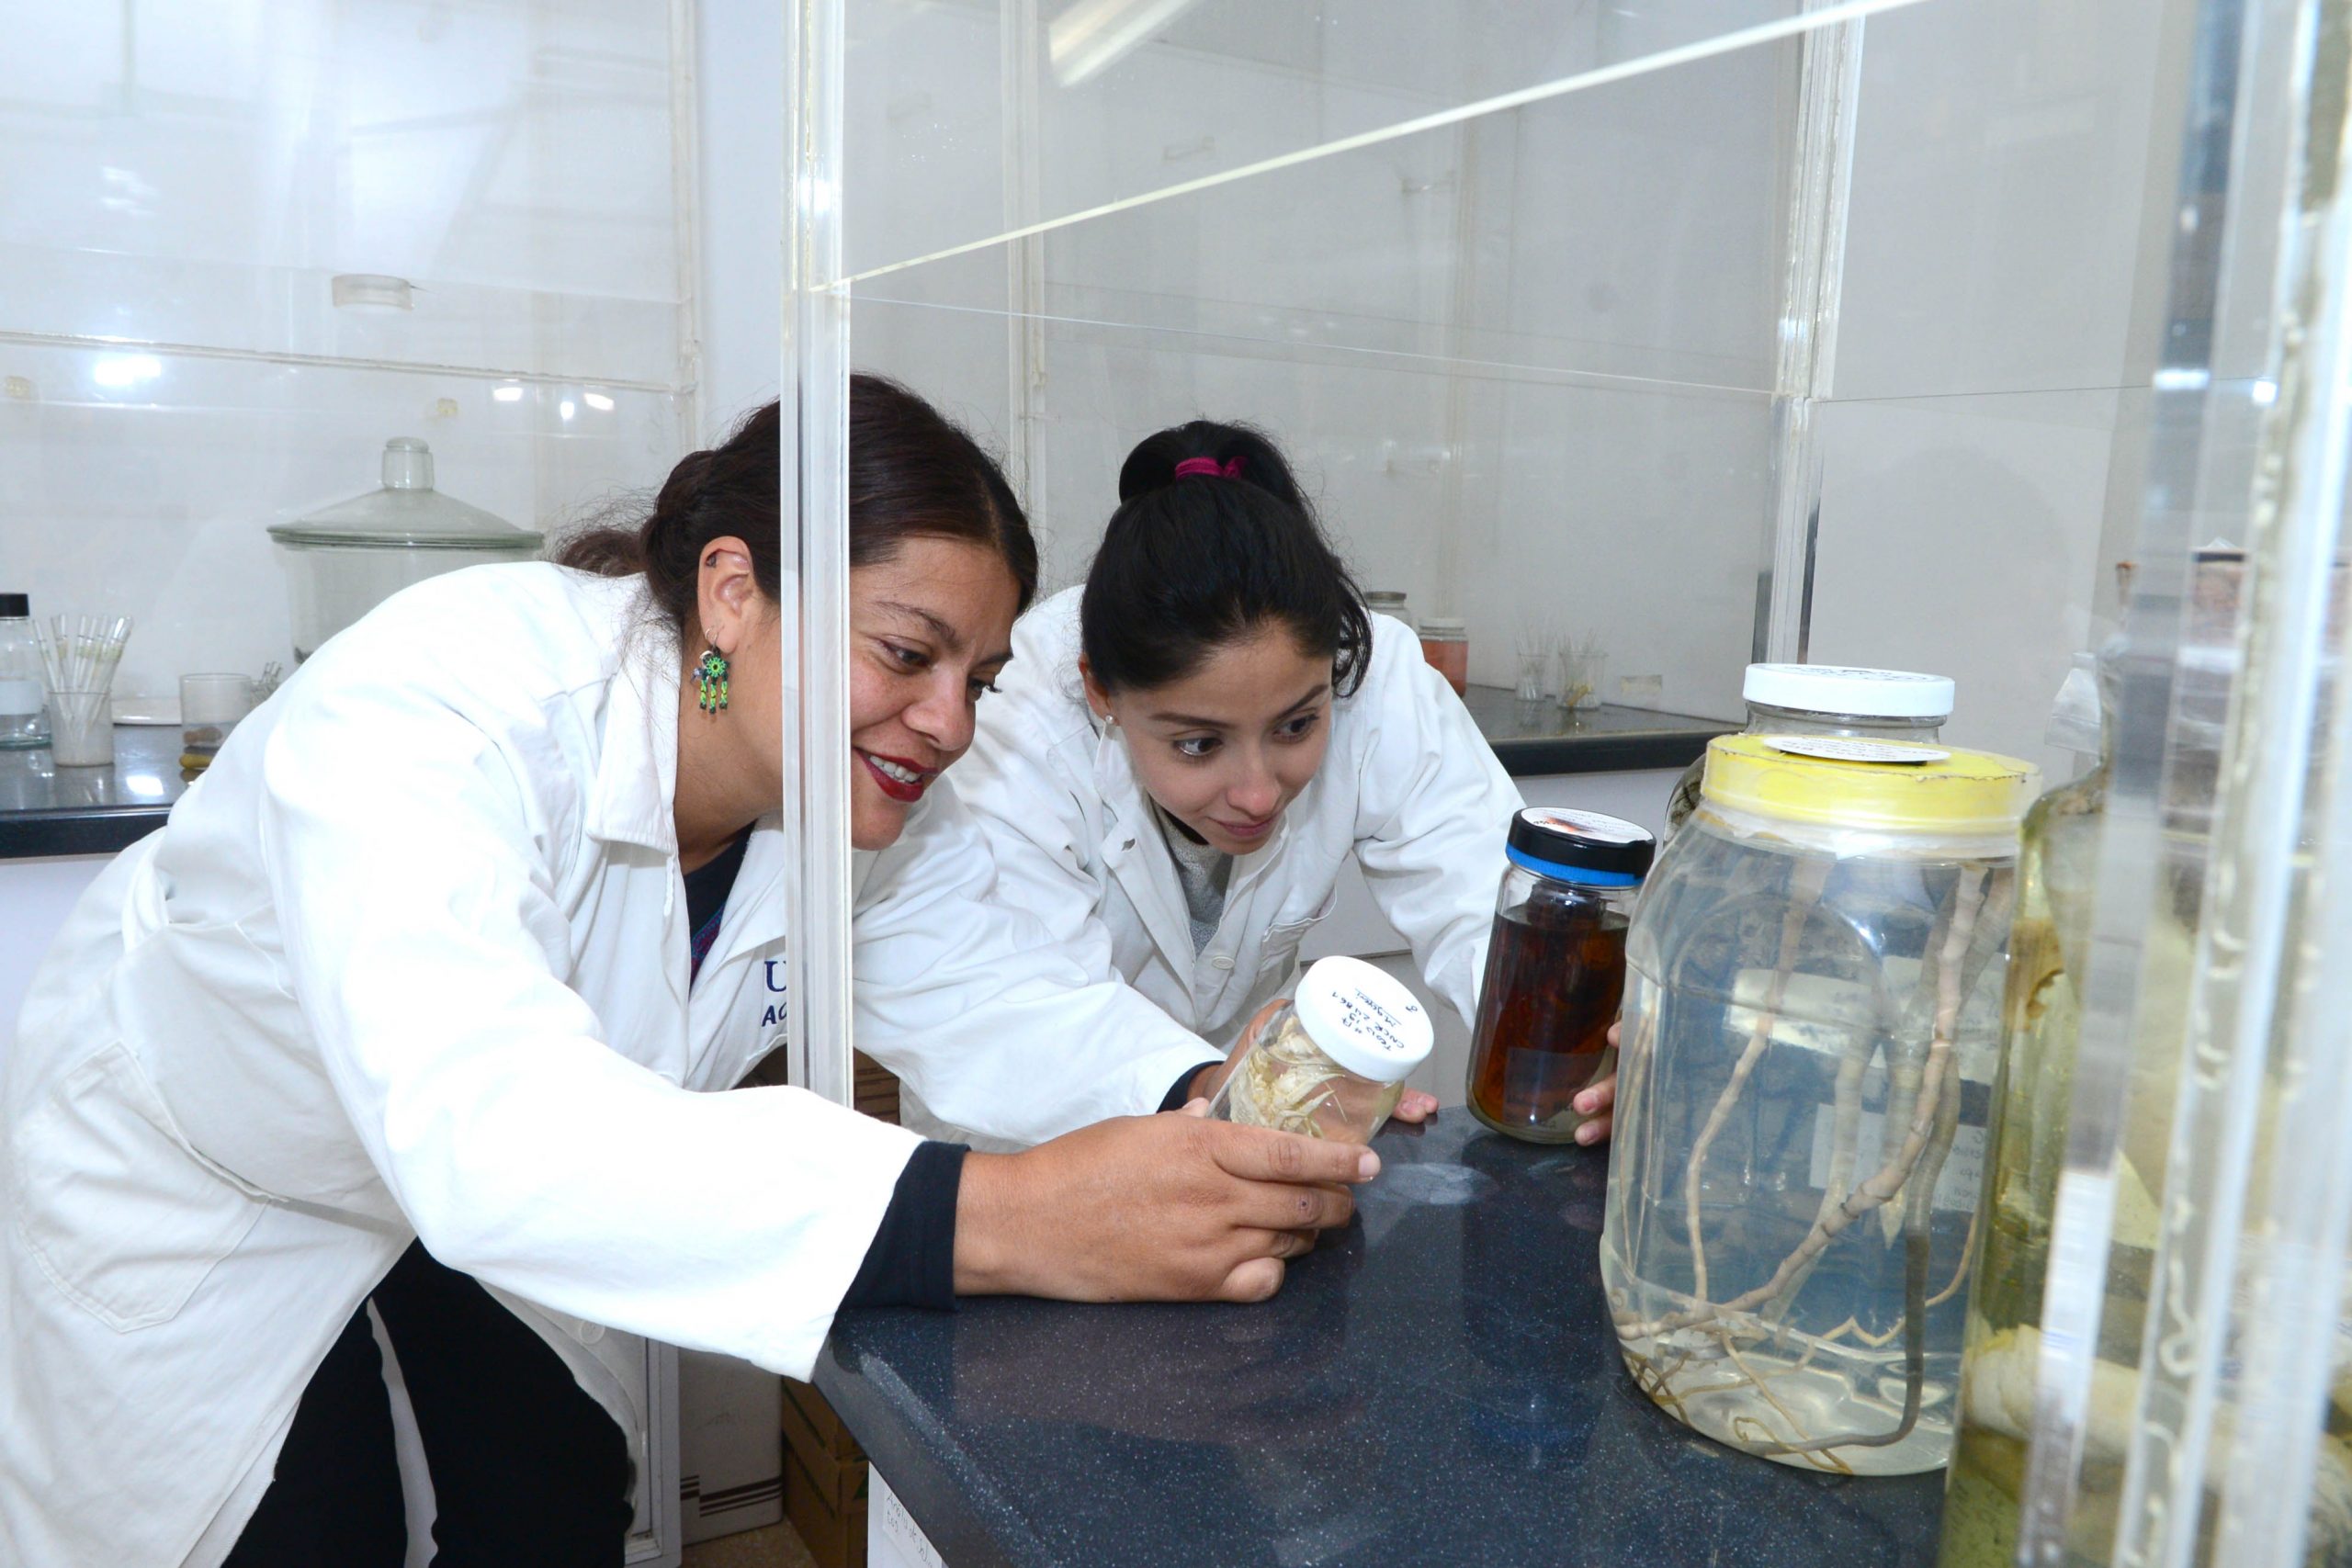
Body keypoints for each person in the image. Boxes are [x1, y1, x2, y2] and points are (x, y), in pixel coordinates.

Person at [0, 380, 1375, 1568]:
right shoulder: (440, 709)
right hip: (218, 1174)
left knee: (550, 1507)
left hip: (512, 1179)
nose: (949, 721)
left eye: (980, 674)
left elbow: (989, 988)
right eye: (908, 653)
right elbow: (483, 1124)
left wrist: (1205, 1093)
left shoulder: (857, 796)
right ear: (733, 591)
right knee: (312, 1531)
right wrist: (1011, 1213)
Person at [944, 419, 1624, 1143]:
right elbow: (1018, 1007)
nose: (1259, 793)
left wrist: (1587, 1041)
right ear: (1100, 690)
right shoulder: (1018, 715)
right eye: (1198, 743)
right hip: (1037, 1150)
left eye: (1296, 726)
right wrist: (1215, 1083)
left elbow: (1484, 903)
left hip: (1265, 1122)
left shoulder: (1370, 678)